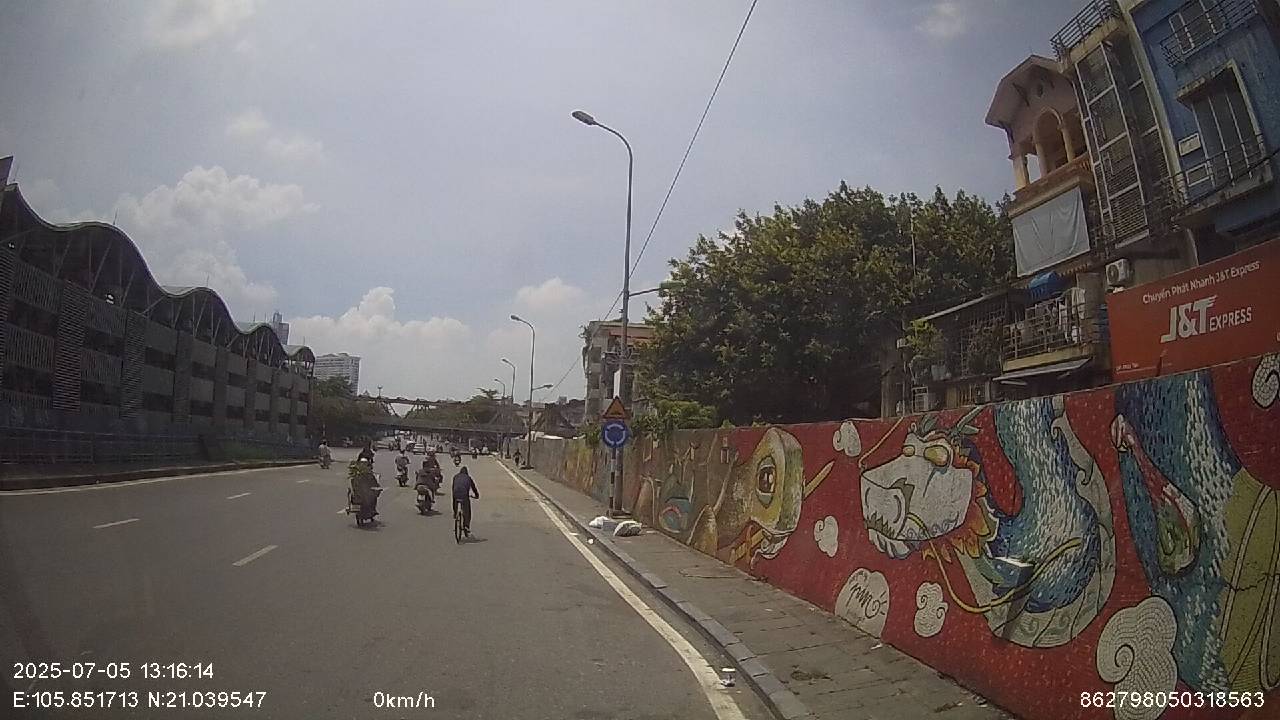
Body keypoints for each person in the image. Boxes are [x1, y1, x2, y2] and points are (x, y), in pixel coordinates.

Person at [452, 466, 480, 536]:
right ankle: (466, 526)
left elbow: (453, 487)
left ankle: (455, 514)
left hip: (455, 493)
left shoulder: (455, 477)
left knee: (454, 501)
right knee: (467, 511)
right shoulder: (468, 478)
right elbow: (474, 488)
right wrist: (477, 495)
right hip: (464, 495)